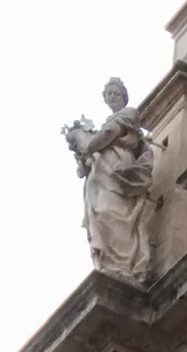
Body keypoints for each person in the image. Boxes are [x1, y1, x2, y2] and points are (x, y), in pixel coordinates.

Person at [62, 80, 155, 283]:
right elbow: (81, 171)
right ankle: (110, 265)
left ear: (124, 96)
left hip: (120, 169)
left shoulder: (128, 114)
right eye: (109, 94)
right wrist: (83, 156)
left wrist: (85, 144)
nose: (112, 96)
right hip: (100, 174)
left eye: (116, 93)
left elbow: (108, 135)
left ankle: (125, 265)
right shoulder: (105, 125)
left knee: (111, 211)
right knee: (101, 214)